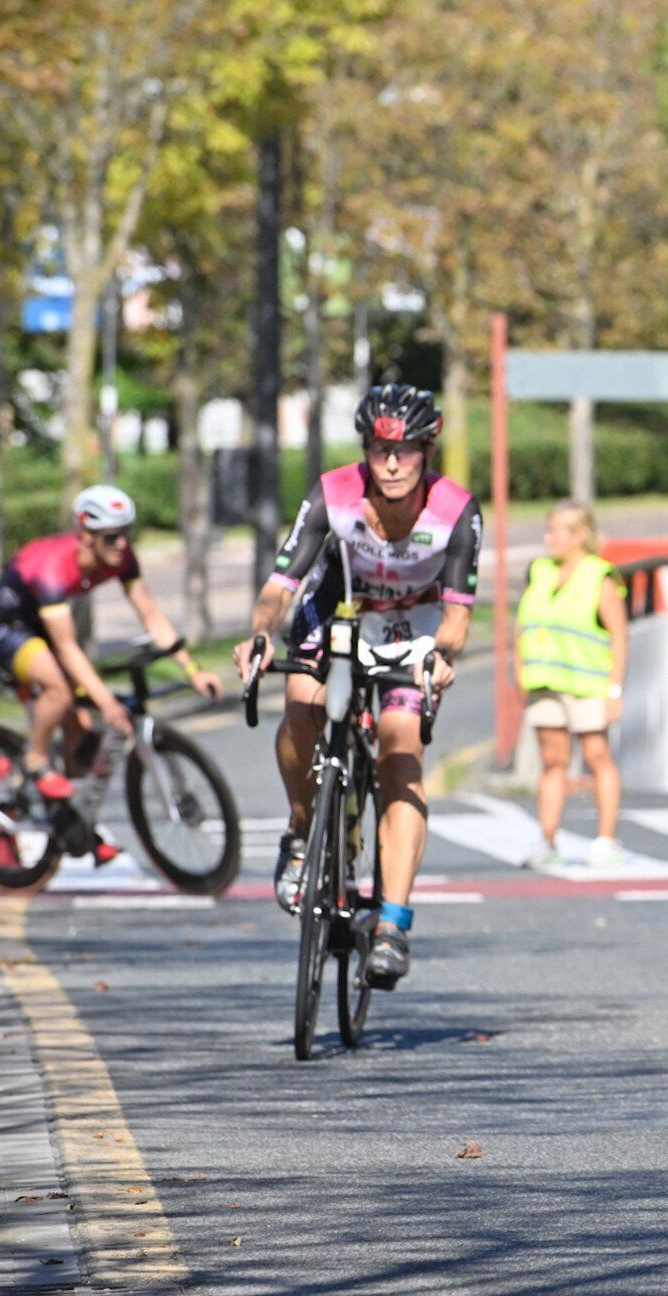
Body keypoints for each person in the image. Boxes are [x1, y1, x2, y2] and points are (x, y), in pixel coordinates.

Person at [234, 384, 481, 989]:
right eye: (379, 450)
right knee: (301, 707)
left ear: (428, 449)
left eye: (407, 451)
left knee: (402, 752)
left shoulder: (456, 510)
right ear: (366, 450)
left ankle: (392, 923)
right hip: (338, 611)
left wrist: (443, 655)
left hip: (413, 626)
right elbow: (281, 584)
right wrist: (262, 634)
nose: (392, 464)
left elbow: (457, 616)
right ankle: (301, 832)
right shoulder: (333, 492)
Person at [0, 484, 223, 862]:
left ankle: (75, 825)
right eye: (112, 536)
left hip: (40, 625)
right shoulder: (55, 567)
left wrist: (192, 670)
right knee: (60, 689)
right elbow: (67, 647)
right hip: (5, 626)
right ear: (85, 533)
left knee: (81, 735)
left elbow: (152, 616)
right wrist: (107, 702)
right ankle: (36, 760)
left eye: (127, 533)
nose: (122, 544)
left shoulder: (121, 559)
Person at [515, 502, 627, 871]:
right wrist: (519, 672)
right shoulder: (540, 571)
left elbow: (618, 635)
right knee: (552, 762)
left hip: (588, 685)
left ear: (579, 535)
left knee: (597, 757)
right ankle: (547, 840)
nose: (548, 538)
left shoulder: (599, 575)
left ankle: (606, 840)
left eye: (555, 531)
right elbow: (523, 626)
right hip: (545, 682)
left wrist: (614, 690)